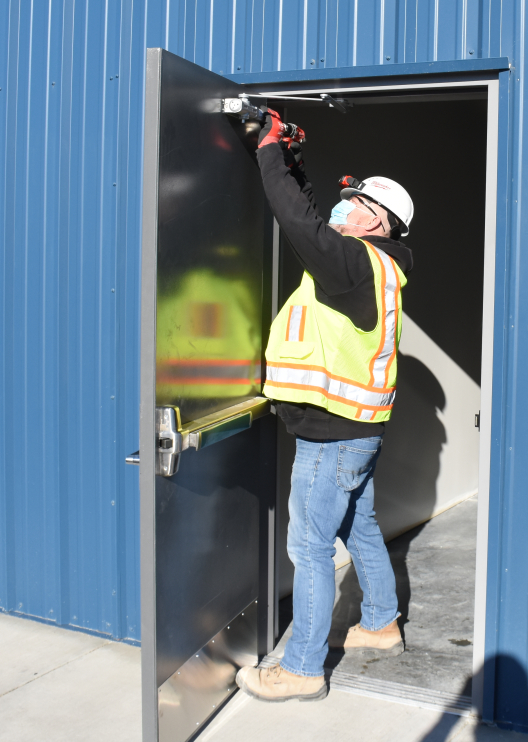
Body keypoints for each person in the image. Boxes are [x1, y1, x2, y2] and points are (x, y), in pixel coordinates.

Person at [235, 110, 415, 703]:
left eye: (356, 202)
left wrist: (266, 153)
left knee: (309, 547)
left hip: (333, 434)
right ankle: (382, 624)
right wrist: (293, 160)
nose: (344, 206)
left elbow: (299, 223)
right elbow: (313, 217)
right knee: (358, 524)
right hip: (358, 429)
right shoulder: (374, 266)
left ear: (379, 222)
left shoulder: (357, 264)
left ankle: (303, 669)